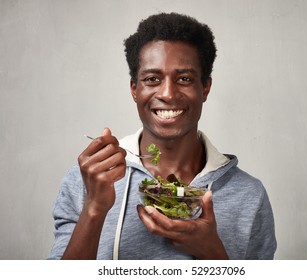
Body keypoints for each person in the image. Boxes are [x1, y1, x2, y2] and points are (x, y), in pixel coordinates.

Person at [48, 12, 276, 260]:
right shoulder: (89, 179)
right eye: (152, 79)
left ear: (205, 88)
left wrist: (213, 255)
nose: (167, 93)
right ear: (135, 89)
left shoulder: (248, 195)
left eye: (185, 79)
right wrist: (94, 208)